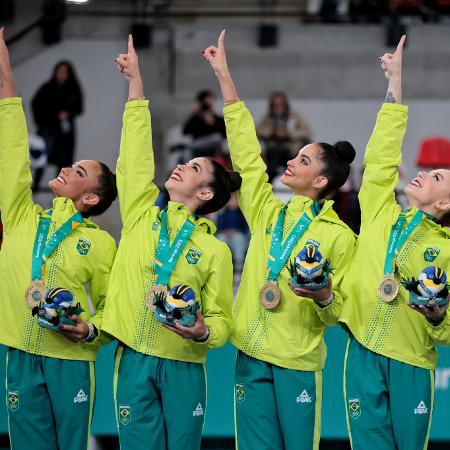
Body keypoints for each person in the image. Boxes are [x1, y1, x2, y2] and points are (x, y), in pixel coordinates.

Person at [202, 30, 356, 450]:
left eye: (302, 160)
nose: (290, 161)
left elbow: (339, 312)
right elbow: (247, 157)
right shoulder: (269, 213)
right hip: (250, 357)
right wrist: (224, 77)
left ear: (321, 180)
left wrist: (324, 294)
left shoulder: (341, 238)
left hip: (299, 364)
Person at [101, 36, 239, 450]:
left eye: (194, 167)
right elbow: (135, 157)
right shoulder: (143, 215)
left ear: (205, 194)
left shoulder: (215, 250)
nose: (180, 165)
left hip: (183, 364)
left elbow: (221, 322)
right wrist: (136, 87)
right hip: (133, 359)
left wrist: (202, 332)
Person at [0, 28, 117, 450]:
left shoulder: (101, 243)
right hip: (19, 352)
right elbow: (11, 155)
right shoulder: (20, 216)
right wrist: (8, 83)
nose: (66, 169)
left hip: (70, 359)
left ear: (90, 197)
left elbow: (111, 307)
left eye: (79, 172)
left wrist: (90, 331)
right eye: (71, 164)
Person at [340, 36, 450, 450]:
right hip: (362, 352)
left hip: (411, 360)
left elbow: (449, 328)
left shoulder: (448, 250)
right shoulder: (381, 214)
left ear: (444, 203)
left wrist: (439, 316)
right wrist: (394, 87)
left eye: (438, 177)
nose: (424, 174)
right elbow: (382, 159)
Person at [31, 60, 83, 191]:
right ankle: (35, 186)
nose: (61, 74)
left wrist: (68, 114)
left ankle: (59, 189)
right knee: (41, 158)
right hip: (47, 130)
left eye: (64, 72)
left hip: (64, 133)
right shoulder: (47, 87)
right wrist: (45, 119)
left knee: (63, 161)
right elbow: (35, 104)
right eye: (59, 71)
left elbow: (79, 108)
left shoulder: (73, 89)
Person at [257, 91, 313, 181]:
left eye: (281, 104)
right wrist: (273, 132)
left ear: (286, 105)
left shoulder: (294, 115)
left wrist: (289, 133)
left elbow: (307, 131)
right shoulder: (268, 117)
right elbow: (259, 131)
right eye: (276, 105)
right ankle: (268, 184)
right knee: (270, 166)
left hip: (291, 151)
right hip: (273, 152)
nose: (279, 107)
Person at [183, 89, 226, 158]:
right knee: (187, 151)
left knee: (216, 138)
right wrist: (195, 113)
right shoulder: (195, 118)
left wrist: (213, 123)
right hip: (197, 146)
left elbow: (223, 135)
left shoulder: (217, 119)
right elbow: (185, 131)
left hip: (213, 148)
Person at [216, 192, 249, 272]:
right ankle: (220, 262)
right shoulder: (223, 213)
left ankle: (239, 264)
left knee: (239, 239)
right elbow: (218, 227)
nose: (232, 202)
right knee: (220, 239)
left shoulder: (242, 214)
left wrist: (236, 232)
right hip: (225, 234)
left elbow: (246, 228)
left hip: (238, 235)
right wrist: (225, 231)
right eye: (230, 200)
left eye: (235, 200)